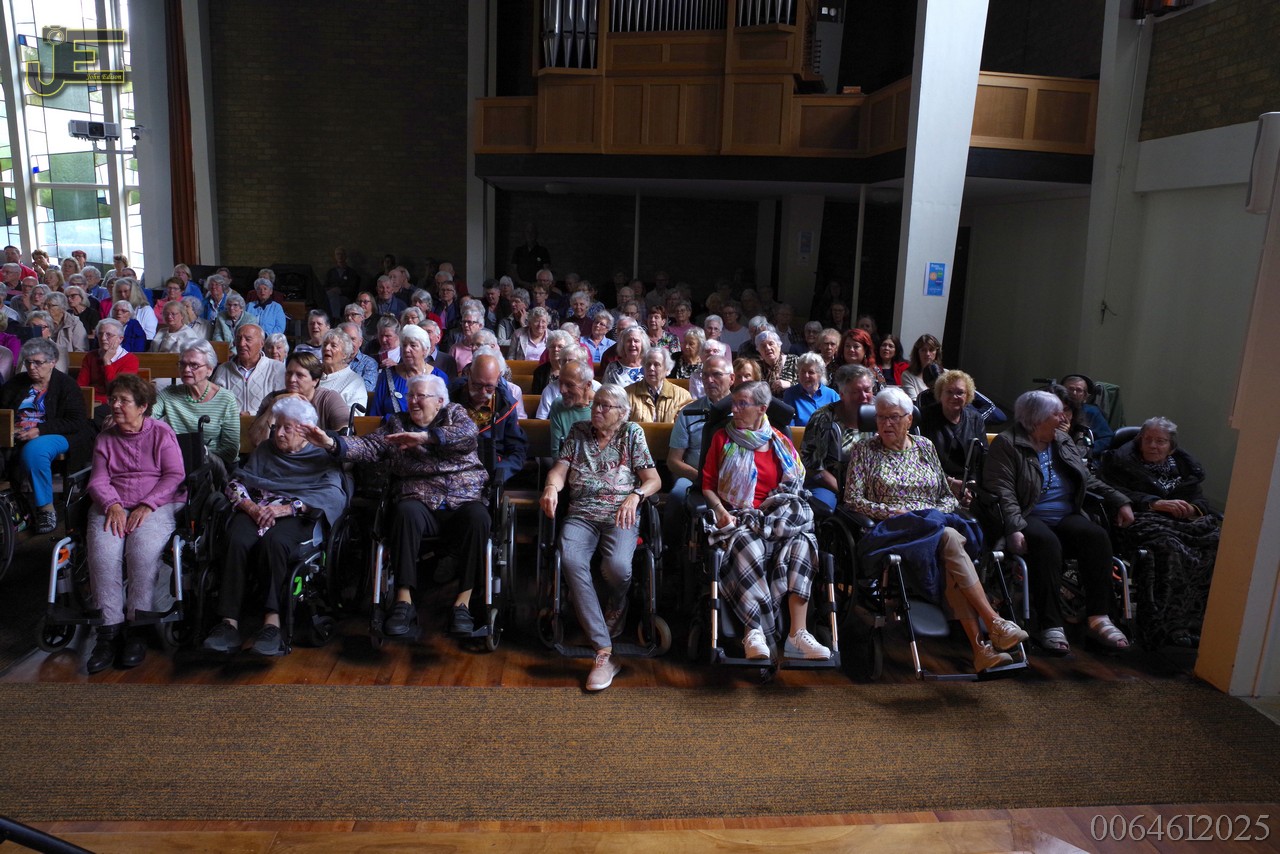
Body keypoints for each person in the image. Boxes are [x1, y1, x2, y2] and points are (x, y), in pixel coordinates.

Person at [845, 387, 1029, 673]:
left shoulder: (925, 446)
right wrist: (895, 513)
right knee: (950, 537)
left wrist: (936, 514)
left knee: (947, 541)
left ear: (909, 419)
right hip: (894, 530)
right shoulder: (864, 451)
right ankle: (993, 622)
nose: (886, 423)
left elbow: (945, 495)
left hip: (934, 525)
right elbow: (853, 500)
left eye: (894, 417)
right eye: (880, 417)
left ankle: (982, 651)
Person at [305, 374, 490, 638]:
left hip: (463, 498)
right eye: (411, 396)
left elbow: (467, 434)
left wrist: (425, 438)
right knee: (404, 511)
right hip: (418, 498)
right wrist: (331, 443)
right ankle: (404, 601)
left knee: (479, 517)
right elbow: (368, 446)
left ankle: (463, 603)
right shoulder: (397, 423)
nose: (413, 401)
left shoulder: (455, 414)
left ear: (439, 401)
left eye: (420, 396)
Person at [982, 390, 1135, 655]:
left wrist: (1120, 500)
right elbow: (1002, 492)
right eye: (1056, 413)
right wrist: (1014, 527)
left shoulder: (1062, 440)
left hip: (1065, 515)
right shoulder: (1007, 444)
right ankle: (1050, 624)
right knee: (1046, 542)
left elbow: (1087, 478)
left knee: (1096, 536)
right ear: (1036, 418)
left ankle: (1099, 618)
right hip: (1028, 514)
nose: (1064, 418)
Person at [202, 397, 348, 657]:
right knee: (236, 538)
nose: (278, 433)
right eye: (276, 426)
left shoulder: (322, 455)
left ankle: (272, 623)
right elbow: (238, 481)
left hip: (297, 513)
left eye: (286, 428)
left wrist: (288, 508)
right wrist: (251, 507)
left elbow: (333, 495)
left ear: (305, 430)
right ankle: (228, 622)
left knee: (276, 542)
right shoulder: (265, 450)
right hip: (257, 508)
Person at [540, 384, 662, 691]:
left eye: (605, 406)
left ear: (622, 413)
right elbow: (559, 470)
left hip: (620, 513)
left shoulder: (631, 433)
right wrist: (551, 487)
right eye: (596, 404)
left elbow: (653, 480)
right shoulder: (579, 431)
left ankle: (617, 605)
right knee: (571, 559)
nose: (597, 409)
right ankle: (603, 651)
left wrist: (636, 495)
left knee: (618, 568)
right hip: (581, 512)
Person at [700, 380, 830, 662]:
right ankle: (754, 631)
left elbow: (794, 487)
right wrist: (720, 511)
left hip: (777, 516)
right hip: (738, 515)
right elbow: (707, 485)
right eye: (734, 403)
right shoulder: (722, 438)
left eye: (742, 404)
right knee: (749, 544)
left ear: (762, 408)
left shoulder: (780, 442)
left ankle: (798, 634)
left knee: (803, 543)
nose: (734, 409)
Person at [83, 374, 186, 673]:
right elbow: (98, 480)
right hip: (113, 503)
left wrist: (148, 503)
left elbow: (174, 475)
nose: (115, 405)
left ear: (142, 407)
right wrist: (112, 504)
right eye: (113, 399)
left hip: (156, 503)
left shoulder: (161, 433)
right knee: (104, 555)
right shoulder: (105, 438)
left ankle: (138, 626)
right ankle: (108, 631)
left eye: (124, 401)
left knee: (142, 552)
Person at [1100, 417, 1220, 649]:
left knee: (1216, 543)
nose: (1153, 446)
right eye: (1148, 440)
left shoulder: (1184, 468)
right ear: (1140, 441)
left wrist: (1191, 509)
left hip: (1181, 522)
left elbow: (1199, 499)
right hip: (1140, 519)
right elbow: (1112, 491)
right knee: (1169, 548)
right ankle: (1164, 627)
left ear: (1171, 447)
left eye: (1161, 441)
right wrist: (1153, 503)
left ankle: (1196, 624)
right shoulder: (1120, 463)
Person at [1, 338, 94, 533]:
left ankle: (45, 509)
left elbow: (76, 421)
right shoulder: (17, 383)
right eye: (28, 362)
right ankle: (11, 505)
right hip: (17, 432)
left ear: (52, 362)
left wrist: (39, 430)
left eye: (38, 362)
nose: (31, 367)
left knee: (35, 450)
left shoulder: (66, 385)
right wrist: (11, 428)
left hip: (57, 433)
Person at [664, 354, 734, 552]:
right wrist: (701, 478)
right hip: (695, 477)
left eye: (716, 374)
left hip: (734, 478)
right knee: (677, 496)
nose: (709, 380)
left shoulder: (743, 411)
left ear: (732, 379)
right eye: (705, 375)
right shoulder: (689, 413)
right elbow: (673, 461)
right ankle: (673, 552)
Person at [150, 341, 241, 475]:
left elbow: (230, 451)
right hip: (177, 463)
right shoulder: (169, 394)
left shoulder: (226, 399)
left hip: (216, 468)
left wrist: (199, 454)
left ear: (209, 369)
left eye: (194, 365)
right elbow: (145, 417)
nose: (186, 369)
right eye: (182, 364)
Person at [801, 364, 876, 510]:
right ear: (842, 394)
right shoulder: (823, 418)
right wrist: (844, 490)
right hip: (830, 482)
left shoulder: (880, 414)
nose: (864, 397)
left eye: (867, 390)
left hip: (871, 482)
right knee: (825, 506)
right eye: (855, 392)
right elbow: (812, 465)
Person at [448, 352, 528, 485]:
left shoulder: (506, 406)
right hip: (452, 468)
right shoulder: (449, 397)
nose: (482, 392)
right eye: (477, 385)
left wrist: (500, 473)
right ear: (468, 374)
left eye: (489, 387)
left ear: (498, 379)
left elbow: (517, 450)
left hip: (490, 470)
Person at [247, 352, 350, 447]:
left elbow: (346, 437)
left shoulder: (328, 399)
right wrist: (274, 405)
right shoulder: (273, 398)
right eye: (289, 373)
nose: (292, 379)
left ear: (315, 380)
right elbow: (256, 441)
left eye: (300, 375)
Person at [919, 369, 989, 497]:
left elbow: (983, 457)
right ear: (940, 394)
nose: (954, 397)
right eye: (949, 392)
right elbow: (921, 460)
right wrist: (949, 482)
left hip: (968, 485)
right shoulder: (925, 417)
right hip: (934, 483)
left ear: (967, 396)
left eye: (960, 392)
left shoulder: (975, 419)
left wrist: (972, 486)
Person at [370, 324, 447, 417]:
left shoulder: (439, 377)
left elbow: (444, 415)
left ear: (425, 350)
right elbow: (375, 414)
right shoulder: (387, 376)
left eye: (413, 345)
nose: (406, 349)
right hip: (391, 426)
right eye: (404, 345)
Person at [212, 324, 287, 415]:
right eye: (238, 339)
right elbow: (214, 405)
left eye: (248, 339)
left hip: (264, 423)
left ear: (261, 344)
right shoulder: (223, 369)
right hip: (230, 423)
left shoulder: (277, 368)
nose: (241, 344)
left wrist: (250, 415)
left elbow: (282, 406)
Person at [77, 318, 140, 407]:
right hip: (89, 401)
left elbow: (116, 390)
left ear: (120, 339)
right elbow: (81, 385)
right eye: (100, 334)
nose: (103, 338)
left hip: (113, 403)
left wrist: (107, 362)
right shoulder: (90, 356)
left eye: (108, 335)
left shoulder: (130, 359)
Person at [625, 347, 691, 423]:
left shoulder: (683, 397)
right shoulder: (627, 394)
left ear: (667, 369)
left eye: (656, 364)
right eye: (648, 364)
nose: (651, 368)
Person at [548, 360, 598, 453]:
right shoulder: (558, 405)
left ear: (587, 385)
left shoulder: (603, 408)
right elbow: (556, 451)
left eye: (569, 385)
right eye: (560, 383)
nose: (562, 390)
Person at [1061, 374, 1115, 454]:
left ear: (1085, 396)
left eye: (1079, 390)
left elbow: (1107, 438)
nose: (1074, 393)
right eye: (1070, 389)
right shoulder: (1052, 410)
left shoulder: (1092, 412)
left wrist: (1086, 450)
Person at [783, 352, 839, 427]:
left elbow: (841, 423)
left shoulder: (832, 395)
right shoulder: (790, 394)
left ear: (820, 374)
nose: (806, 375)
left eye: (811, 372)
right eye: (803, 372)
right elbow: (789, 429)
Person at [317, 329, 368, 411]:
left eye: (333, 346)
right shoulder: (312, 374)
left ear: (344, 354)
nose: (327, 348)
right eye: (325, 344)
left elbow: (355, 415)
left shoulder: (355, 382)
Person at [44, 293, 88, 369]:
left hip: (67, 364)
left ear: (62, 308)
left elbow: (80, 350)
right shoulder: (42, 322)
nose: (45, 308)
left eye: (50, 305)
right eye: (45, 304)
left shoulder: (74, 323)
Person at [900, 334, 942, 401]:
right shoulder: (907, 375)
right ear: (917, 352)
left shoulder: (946, 374)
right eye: (923, 350)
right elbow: (914, 402)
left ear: (936, 352)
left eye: (931, 350)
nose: (927, 354)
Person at [755, 330, 797, 397]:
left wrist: (790, 385)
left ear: (779, 346)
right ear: (759, 351)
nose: (768, 348)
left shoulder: (794, 360)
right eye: (763, 346)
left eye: (771, 344)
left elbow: (808, 384)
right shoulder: (756, 368)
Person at [340, 321, 379, 392]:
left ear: (360, 342)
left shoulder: (369, 363)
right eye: (345, 339)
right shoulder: (333, 361)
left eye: (353, 339)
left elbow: (367, 389)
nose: (349, 343)